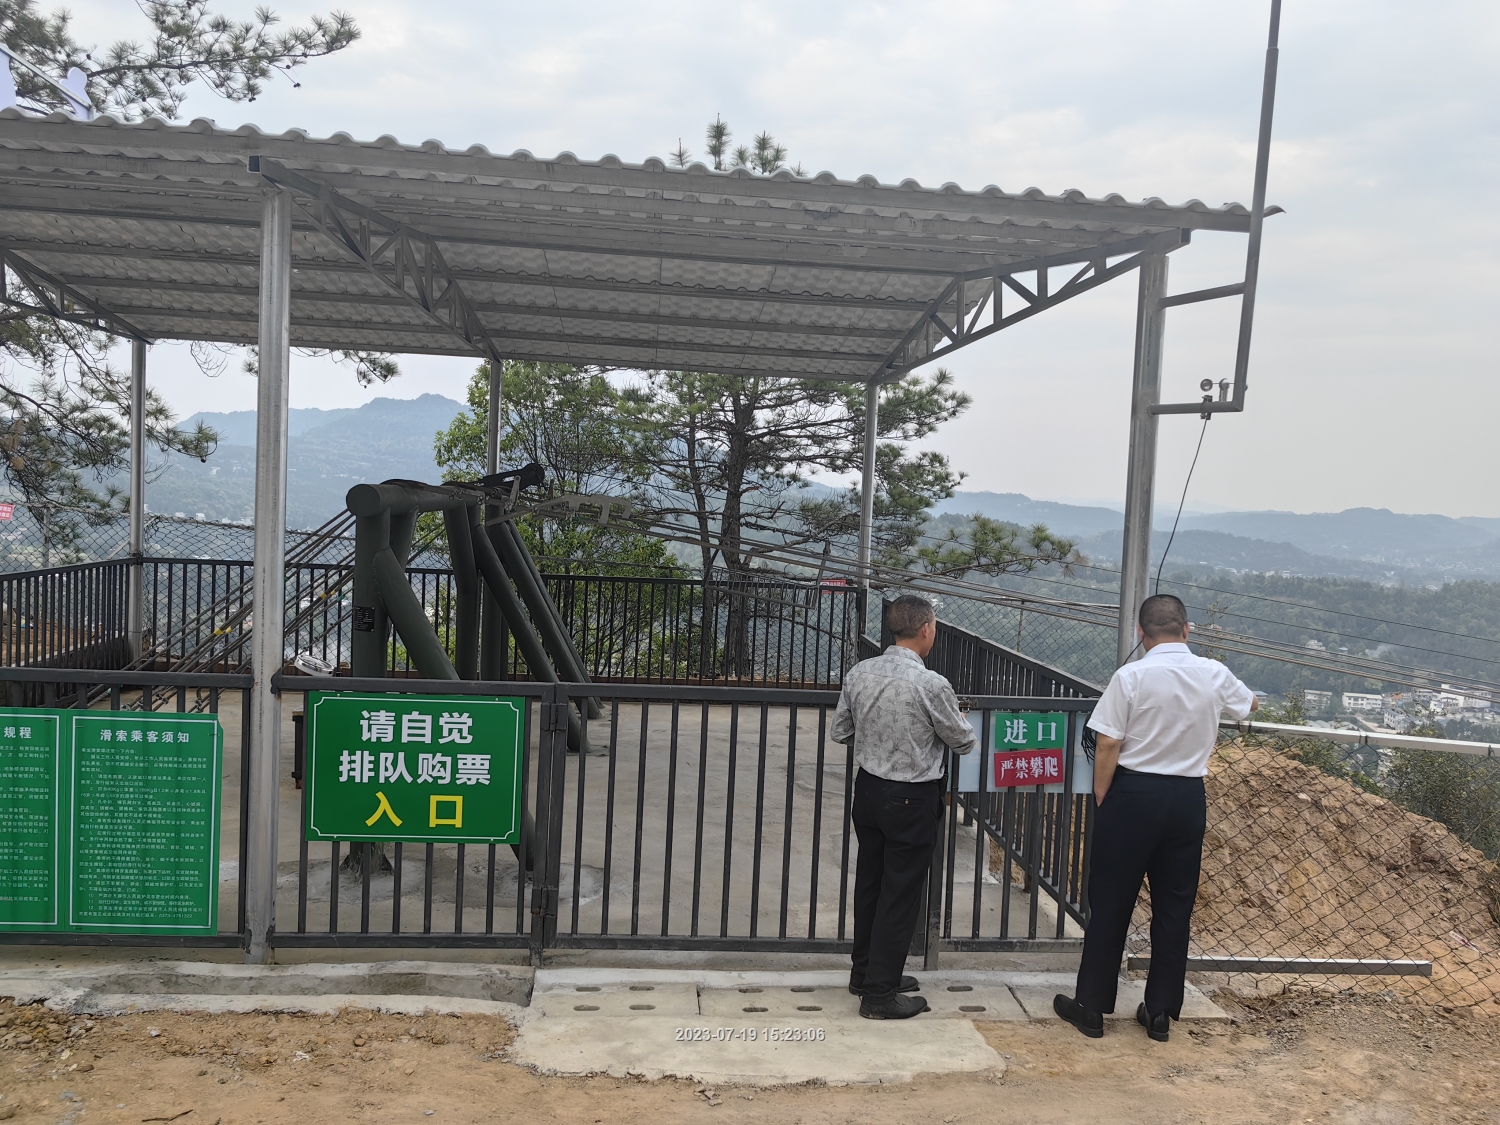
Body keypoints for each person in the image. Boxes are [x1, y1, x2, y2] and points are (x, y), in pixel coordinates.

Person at [1054, 593, 1257, 1042]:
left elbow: (1108, 741)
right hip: (1186, 798)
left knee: (1111, 902)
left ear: (1141, 634)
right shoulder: (1213, 673)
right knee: (1174, 906)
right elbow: (1250, 705)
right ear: (1186, 630)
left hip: (1132, 795)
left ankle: (1091, 1008)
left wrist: (1104, 794)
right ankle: (1160, 1012)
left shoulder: (1131, 676)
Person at [832, 594, 977, 1020]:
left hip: (869, 791)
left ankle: (866, 973)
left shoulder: (860, 672)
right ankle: (880, 995)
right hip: (912, 798)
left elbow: (841, 731)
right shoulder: (932, 684)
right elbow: (963, 741)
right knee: (900, 893)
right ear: (927, 629)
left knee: (872, 884)